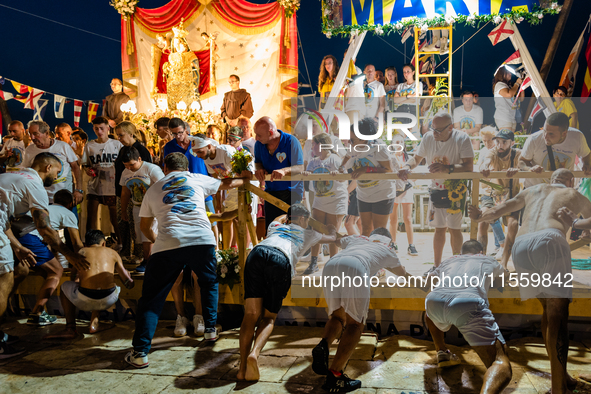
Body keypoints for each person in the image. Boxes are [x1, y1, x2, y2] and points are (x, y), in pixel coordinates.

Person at [468, 169, 590, 394]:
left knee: (546, 310)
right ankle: (558, 389)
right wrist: (580, 225)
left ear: (550, 180)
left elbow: (499, 209)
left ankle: (561, 378)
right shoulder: (575, 194)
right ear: (570, 181)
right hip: (551, 240)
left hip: (521, 247)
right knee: (558, 317)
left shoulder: (532, 190)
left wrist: (479, 217)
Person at [125, 153, 246, 368]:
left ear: (165, 167)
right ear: (186, 168)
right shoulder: (197, 178)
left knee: (152, 299)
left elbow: (144, 227)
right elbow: (228, 183)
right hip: (202, 239)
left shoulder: (153, 189)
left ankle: (141, 352)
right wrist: (248, 177)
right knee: (208, 282)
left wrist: (161, 241)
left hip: (168, 243)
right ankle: (210, 330)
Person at [0, 153, 90, 357]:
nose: (57, 177)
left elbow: (5, 220)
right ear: (48, 167)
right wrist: (72, 256)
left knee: (19, 270)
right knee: (3, 282)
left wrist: (16, 247)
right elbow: (45, 228)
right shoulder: (35, 185)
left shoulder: (15, 177)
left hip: (9, 232)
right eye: (57, 172)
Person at [237, 204, 337, 381]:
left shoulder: (274, 227)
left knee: (250, 315)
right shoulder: (310, 233)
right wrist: (330, 228)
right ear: (303, 219)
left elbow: (279, 218)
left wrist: (289, 215)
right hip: (280, 259)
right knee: (268, 318)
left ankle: (242, 367)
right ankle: (254, 353)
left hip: (258, 253)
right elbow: (332, 238)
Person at [312, 227, 408, 392]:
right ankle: (335, 376)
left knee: (337, 318)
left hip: (331, 265)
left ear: (370, 236)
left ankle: (323, 345)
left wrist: (333, 231)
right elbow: (402, 274)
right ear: (389, 241)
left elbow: (337, 239)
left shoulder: (358, 238)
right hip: (356, 267)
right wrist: (422, 285)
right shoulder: (388, 249)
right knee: (355, 324)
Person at [424, 240, 512, 394]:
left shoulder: (449, 260)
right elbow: (503, 278)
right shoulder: (488, 259)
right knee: (500, 362)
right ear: (481, 252)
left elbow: (430, 279)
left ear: (461, 252)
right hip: (468, 302)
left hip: (434, 300)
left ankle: (442, 352)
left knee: (430, 312)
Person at [399, 113, 474, 268]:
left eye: (439, 130)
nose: (434, 133)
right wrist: (406, 167)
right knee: (439, 229)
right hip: (436, 188)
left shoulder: (462, 138)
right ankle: (437, 266)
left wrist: (447, 168)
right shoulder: (428, 138)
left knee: (455, 229)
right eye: (433, 129)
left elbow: (469, 166)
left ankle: (457, 265)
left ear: (450, 128)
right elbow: (416, 159)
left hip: (456, 189)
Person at [43, 230, 134, 340]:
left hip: (84, 299)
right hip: (109, 299)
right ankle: (95, 324)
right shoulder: (113, 253)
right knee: (102, 284)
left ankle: (70, 328)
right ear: (104, 243)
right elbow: (128, 283)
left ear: (86, 244)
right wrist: (129, 278)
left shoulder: (81, 252)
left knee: (65, 286)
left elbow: (73, 278)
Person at [163, 118, 218, 244]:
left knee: (212, 218)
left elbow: (210, 161)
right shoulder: (169, 146)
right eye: (174, 134)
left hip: (203, 184)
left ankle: (216, 248)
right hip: (183, 188)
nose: (178, 136)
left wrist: (212, 183)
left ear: (186, 130)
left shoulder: (197, 142)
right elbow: (167, 167)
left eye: (180, 133)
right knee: (189, 219)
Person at [340, 119, 398, 236]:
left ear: (363, 138)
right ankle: (367, 254)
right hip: (363, 194)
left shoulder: (378, 147)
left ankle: (380, 253)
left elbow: (388, 169)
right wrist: (341, 168)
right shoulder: (353, 146)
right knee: (365, 229)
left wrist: (365, 169)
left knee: (379, 231)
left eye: (352, 140)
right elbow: (346, 159)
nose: (350, 143)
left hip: (382, 193)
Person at [301, 133, 348, 275]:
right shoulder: (313, 161)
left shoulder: (335, 159)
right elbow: (306, 174)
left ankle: (334, 265)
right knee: (316, 231)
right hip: (320, 200)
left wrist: (337, 174)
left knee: (332, 231)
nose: (312, 147)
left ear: (321, 145)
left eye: (314, 144)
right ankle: (313, 262)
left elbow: (343, 177)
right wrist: (306, 174)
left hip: (335, 199)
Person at [478, 130, 521, 268]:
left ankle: (504, 262)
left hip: (511, 195)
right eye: (497, 141)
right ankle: (481, 261)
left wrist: (518, 169)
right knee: (482, 219)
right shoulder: (493, 152)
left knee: (513, 225)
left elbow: (525, 165)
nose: (499, 145)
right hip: (492, 193)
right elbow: (486, 161)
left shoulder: (518, 154)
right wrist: (485, 166)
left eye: (504, 142)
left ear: (512, 143)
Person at [253, 116, 304, 231]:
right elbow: (258, 162)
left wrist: (284, 170)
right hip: (270, 192)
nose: (256, 138)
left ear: (270, 133)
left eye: (259, 135)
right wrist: (260, 169)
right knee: (271, 228)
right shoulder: (259, 145)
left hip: (291, 192)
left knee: (291, 229)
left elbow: (300, 167)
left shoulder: (291, 141)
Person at [119, 146, 164, 271]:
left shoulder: (152, 169)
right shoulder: (125, 172)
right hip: (137, 206)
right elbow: (125, 192)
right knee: (139, 235)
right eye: (126, 165)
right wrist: (123, 210)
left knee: (148, 235)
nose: (129, 168)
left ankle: (149, 261)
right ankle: (148, 259)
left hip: (152, 207)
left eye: (132, 165)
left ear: (139, 159)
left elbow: (163, 187)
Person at [519, 112, 591, 189]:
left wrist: (586, 164)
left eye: (551, 134)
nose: (545, 136)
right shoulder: (534, 139)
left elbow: (586, 155)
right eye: (544, 131)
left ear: (564, 133)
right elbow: (521, 162)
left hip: (562, 190)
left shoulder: (577, 137)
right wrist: (530, 169)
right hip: (536, 190)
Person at [82, 117, 124, 249]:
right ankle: (91, 243)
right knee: (92, 215)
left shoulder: (117, 144)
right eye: (96, 128)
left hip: (112, 183)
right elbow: (85, 163)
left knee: (114, 215)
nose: (99, 131)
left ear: (107, 128)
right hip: (95, 183)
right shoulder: (90, 145)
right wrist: (87, 169)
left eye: (101, 128)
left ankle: (121, 242)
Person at [114, 121, 152, 262]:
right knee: (124, 221)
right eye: (117, 135)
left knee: (136, 223)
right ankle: (126, 251)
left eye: (121, 135)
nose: (119, 138)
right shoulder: (123, 149)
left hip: (137, 193)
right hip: (122, 190)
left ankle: (140, 254)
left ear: (131, 134)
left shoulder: (141, 151)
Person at [23, 121, 83, 205]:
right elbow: (26, 171)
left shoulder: (63, 146)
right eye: (30, 134)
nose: (32, 137)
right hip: (40, 198)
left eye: (36, 134)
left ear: (46, 133)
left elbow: (76, 167)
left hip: (64, 198)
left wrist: (79, 190)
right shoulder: (30, 150)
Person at [389, 134, 417, 255]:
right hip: (395, 189)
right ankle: (393, 243)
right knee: (393, 218)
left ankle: (411, 245)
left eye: (401, 142)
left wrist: (407, 181)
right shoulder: (390, 158)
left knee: (407, 218)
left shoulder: (409, 158)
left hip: (407, 188)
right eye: (397, 142)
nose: (399, 144)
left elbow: (414, 175)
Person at [493, 67, 523, 131]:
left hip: (511, 117)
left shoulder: (509, 87)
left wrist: (521, 85)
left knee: (510, 140)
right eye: (508, 72)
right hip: (503, 117)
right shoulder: (499, 85)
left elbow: (521, 99)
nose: (510, 74)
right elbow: (508, 95)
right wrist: (517, 83)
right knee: (506, 139)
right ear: (501, 74)